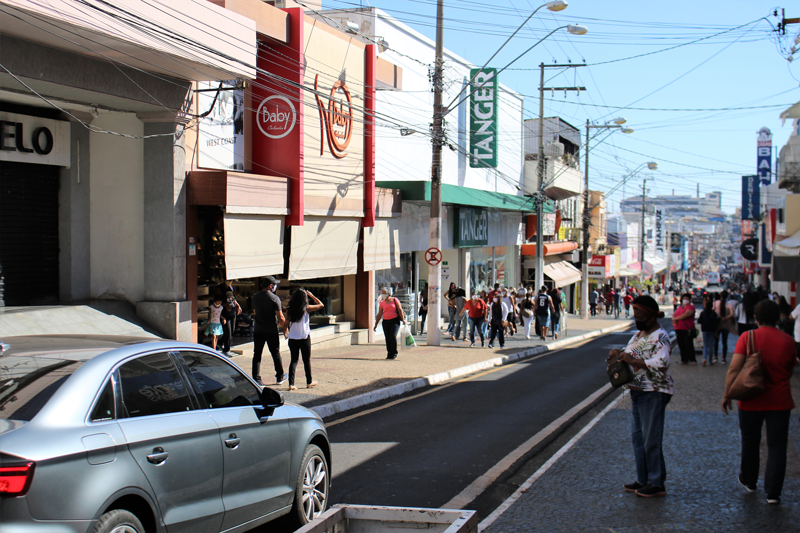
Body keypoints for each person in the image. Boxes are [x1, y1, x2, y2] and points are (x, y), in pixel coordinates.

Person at [721, 299, 797, 505]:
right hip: (780, 401)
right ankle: (773, 493)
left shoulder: (748, 337)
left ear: (756, 318)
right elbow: (790, 370)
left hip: (750, 399)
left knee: (750, 440)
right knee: (778, 445)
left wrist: (727, 394)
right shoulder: (788, 340)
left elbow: (734, 369)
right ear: (778, 317)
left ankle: (749, 480)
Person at [608, 295, 673, 498]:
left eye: (641, 315)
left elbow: (662, 363)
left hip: (653, 392)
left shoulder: (660, 336)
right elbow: (629, 353)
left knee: (651, 439)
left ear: (652, 316)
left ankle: (656, 482)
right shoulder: (638, 335)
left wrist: (633, 360)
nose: (637, 319)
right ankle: (643, 478)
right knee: (638, 439)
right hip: (637, 392)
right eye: (635, 314)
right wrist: (618, 353)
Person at [284, 288, 324, 390]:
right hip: (304, 337)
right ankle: (309, 382)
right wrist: (311, 295)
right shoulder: (306, 308)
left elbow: (285, 323)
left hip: (292, 338)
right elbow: (321, 305)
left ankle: (291, 384)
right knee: (306, 360)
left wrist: (285, 331)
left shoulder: (290, 309)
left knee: (293, 360)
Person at [252, 276, 287, 386]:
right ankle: (280, 376)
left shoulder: (255, 297)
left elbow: (254, 311)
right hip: (271, 330)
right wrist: (286, 329)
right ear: (270, 286)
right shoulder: (275, 298)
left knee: (257, 354)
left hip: (258, 329)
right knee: (275, 353)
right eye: (274, 284)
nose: (275, 286)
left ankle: (256, 378)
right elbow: (280, 316)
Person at [374, 287, 407, 359]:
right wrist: (376, 324)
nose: (382, 295)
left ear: (388, 293)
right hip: (385, 322)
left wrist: (403, 320)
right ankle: (389, 353)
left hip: (394, 321)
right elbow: (379, 314)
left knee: (392, 336)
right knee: (387, 338)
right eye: (381, 293)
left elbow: (400, 309)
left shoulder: (395, 300)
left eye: (384, 293)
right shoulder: (382, 303)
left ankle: (394, 352)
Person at [672, 293, 697, 365]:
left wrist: (676, 318)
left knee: (688, 344)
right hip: (678, 328)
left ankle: (692, 359)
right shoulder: (680, 307)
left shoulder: (691, 307)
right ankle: (684, 359)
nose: (685, 300)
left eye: (687, 299)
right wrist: (674, 318)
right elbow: (674, 314)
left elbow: (686, 315)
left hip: (687, 328)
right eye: (684, 299)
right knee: (681, 344)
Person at [714, 290, 736, 365]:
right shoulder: (729, 304)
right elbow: (732, 314)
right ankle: (724, 358)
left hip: (717, 324)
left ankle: (715, 357)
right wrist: (726, 318)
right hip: (726, 325)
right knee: (724, 342)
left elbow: (712, 310)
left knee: (716, 341)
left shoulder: (716, 303)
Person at [697, 296, 720, 367]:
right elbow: (717, 321)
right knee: (711, 345)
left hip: (704, 330)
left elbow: (699, 321)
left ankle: (704, 358)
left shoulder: (703, 313)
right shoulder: (713, 313)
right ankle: (710, 361)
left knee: (705, 345)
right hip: (712, 330)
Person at [219, 291, 241, 356]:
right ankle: (226, 349)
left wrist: (238, 305)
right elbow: (218, 301)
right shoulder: (220, 289)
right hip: (225, 314)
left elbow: (233, 299)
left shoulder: (230, 288)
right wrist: (225, 305)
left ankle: (221, 342)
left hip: (232, 313)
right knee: (228, 331)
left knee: (232, 330)